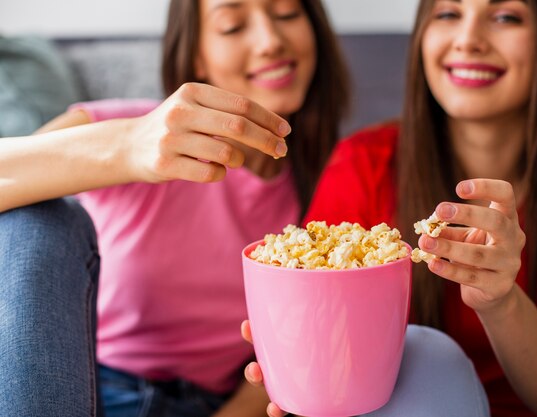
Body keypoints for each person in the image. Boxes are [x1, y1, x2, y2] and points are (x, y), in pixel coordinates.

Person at [243, 0, 537, 416]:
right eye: (447, 14)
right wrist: (305, 369)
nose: (468, 40)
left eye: (505, 17)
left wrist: (500, 302)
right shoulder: (364, 163)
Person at [0, 0, 350, 416]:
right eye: (233, 25)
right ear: (196, 57)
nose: (270, 41)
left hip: (219, 404)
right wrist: (127, 146)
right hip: (90, 387)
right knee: (40, 220)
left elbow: (295, 348)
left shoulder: (336, 180)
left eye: (288, 14)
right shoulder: (142, 130)